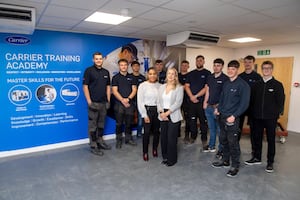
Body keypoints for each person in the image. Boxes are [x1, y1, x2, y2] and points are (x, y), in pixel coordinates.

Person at [212, 60, 250, 177]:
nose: (230, 71)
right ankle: (225, 160)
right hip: (222, 117)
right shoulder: (226, 83)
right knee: (223, 140)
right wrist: (218, 109)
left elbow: (244, 104)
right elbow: (222, 98)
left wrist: (234, 116)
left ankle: (235, 165)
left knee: (233, 143)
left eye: (233, 69)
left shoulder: (243, 85)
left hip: (232, 119)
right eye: (229, 69)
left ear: (237, 70)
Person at [245, 61, 285, 173]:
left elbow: (280, 102)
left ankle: (270, 162)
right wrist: (251, 115)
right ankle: (256, 157)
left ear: (272, 70)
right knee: (256, 138)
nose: (266, 70)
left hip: (270, 118)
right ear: (261, 70)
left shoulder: (277, 85)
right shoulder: (256, 85)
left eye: (268, 68)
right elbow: (251, 101)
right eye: (264, 68)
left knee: (271, 140)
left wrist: (275, 115)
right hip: (256, 117)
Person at [83, 52, 112, 156]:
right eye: (96, 59)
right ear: (93, 60)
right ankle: (93, 145)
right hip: (93, 103)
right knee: (92, 126)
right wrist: (89, 102)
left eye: (100, 58)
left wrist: (108, 100)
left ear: (103, 59)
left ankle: (100, 141)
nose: (99, 60)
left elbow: (108, 87)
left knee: (101, 125)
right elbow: (85, 86)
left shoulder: (106, 72)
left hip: (104, 103)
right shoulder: (89, 71)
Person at [158, 67, 183, 167]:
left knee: (171, 139)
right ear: (166, 75)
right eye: (169, 73)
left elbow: (178, 103)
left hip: (173, 114)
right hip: (162, 114)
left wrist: (166, 113)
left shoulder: (179, 87)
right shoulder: (161, 87)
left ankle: (172, 159)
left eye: (173, 74)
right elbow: (158, 101)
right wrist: (161, 112)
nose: (171, 76)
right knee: (163, 137)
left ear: (176, 76)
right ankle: (165, 156)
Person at [203, 58, 229, 158]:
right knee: (211, 128)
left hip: (218, 109)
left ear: (222, 66)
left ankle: (221, 150)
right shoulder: (210, 77)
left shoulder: (225, 78)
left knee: (220, 130)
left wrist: (219, 107)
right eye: (214, 65)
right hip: (209, 107)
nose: (216, 67)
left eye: (218, 65)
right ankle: (211, 146)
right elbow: (208, 90)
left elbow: (225, 95)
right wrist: (205, 102)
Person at [185, 55, 211, 150]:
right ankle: (193, 137)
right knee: (192, 121)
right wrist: (191, 97)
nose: (199, 62)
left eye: (200, 61)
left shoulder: (208, 73)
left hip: (202, 102)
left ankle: (204, 140)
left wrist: (196, 96)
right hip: (191, 103)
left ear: (203, 62)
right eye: (197, 61)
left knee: (203, 122)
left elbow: (206, 87)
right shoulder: (191, 73)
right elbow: (186, 86)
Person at [112, 58, 137, 149]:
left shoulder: (132, 77)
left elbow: (134, 90)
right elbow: (114, 91)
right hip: (119, 104)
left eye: (125, 65)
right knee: (119, 123)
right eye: (121, 65)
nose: (123, 67)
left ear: (127, 66)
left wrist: (128, 99)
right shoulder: (115, 78)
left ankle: (128, 139)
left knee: (129, 123)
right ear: (119, 66)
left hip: (130, 104)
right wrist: (123, 100)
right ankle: (119, 140)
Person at [137, 67, 161, 161]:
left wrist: (160, 112)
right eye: (150, 74)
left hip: (157, 111)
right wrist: (144, 115)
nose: (152, 76)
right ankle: (145, 152)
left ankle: (155, 149)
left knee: (156, 132)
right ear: (147, 75)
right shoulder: (142, 85)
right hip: (147, 110)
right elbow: (140, 101)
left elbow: (160, 101)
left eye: (154, 74)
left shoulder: (160, 86)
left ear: (157, 75)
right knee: (146, 133)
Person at [238, 55, 262, 141]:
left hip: (253, 106)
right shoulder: (240, 76)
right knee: (238, 128)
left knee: (254, 129)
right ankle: (235, 149)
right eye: (246, 62)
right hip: (241, 105)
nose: (247, 64)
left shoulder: (258, 77)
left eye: (250, 62)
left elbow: (260, 93)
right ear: (243, 63)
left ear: (253, 63)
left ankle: (254, 149)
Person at [131, 61, 146, 138]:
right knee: (130, 117)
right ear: (132, 67)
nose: (136, 67)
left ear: (139, 67)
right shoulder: (129, 77)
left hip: (140, 100)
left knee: (140, 117)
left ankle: (139, 132)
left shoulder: (143, 78)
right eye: (134, 66)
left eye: (137, 66)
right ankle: (129, 135)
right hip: (131, 100)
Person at [178, 60, 190, 142]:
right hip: (177, 100)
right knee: (177, 117)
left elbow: (188, 87)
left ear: (188, 67)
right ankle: (177, 133)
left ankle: (186, 135)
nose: (184, 67)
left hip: (186, 100)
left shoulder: (191, 75)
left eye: (186, 65)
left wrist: (182, 87)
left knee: (187, 118)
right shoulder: (177, 75)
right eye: (182, 65)